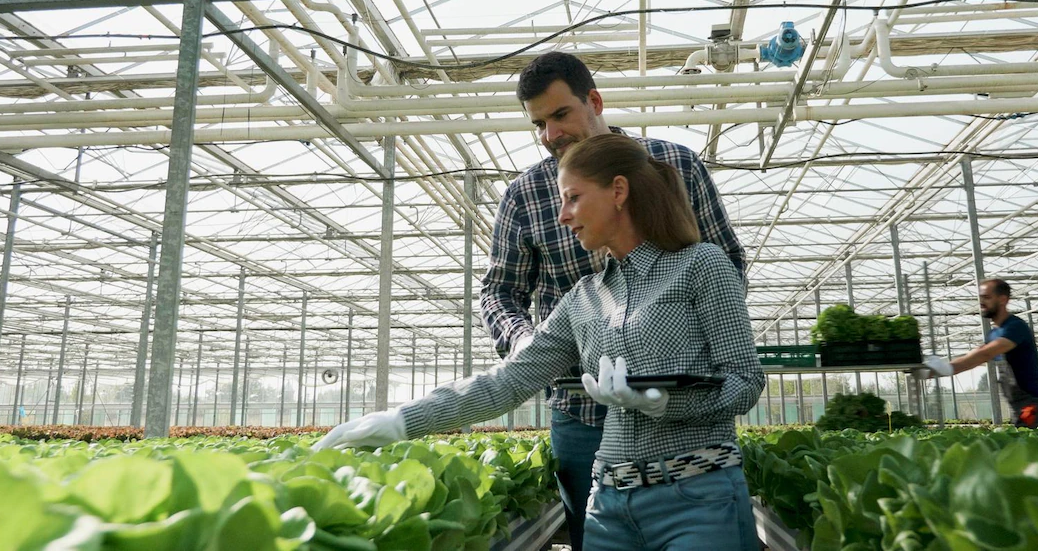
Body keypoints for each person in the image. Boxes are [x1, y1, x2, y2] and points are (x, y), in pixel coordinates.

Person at [314, 134, 766, 551]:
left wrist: (662, 403)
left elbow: (746, 382)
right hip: (608, 507)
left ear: (619, 191)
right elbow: (506, 383)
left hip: (698, 500)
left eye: (572, 198)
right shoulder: (584, 299)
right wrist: (400, 422)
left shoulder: (701, 266)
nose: (562, 215)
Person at [478, 52, 745, 550]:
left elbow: (725, 262)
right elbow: (499, 291)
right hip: (580, 413)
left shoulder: (675, 164)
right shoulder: (525, 194)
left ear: (594, 101)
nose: (549, 134)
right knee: (598, 535)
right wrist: (532, 345)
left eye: (560, 115)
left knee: (695, 516)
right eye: (538, 123)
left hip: (681, 405)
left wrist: (687, 333)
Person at [916, 278, 1038, 428]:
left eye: (987, 297)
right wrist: (933, 371)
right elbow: (973, 358)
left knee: (1032, 447)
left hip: (1032, 406)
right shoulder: (993, 334)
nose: (981, 302)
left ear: (1002, 300)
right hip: (1017, 406)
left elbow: (985, 354)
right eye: (980, 298)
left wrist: (946, 368)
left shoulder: (1015, 327)